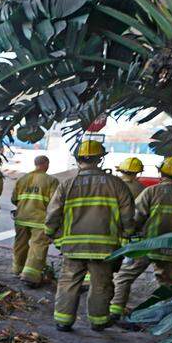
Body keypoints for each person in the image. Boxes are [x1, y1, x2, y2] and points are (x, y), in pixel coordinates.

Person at [45, 140, 135, 332]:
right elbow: (128, 216)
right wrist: (127, 235)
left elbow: (53, 214)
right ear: (99, 159)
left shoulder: (67, 184)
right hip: (105, 248)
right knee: (101, 284)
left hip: (73, 246)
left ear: (78, 160)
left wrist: (52, 234)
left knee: (69, 282)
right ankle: (98, 321)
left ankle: (63, 321)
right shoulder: (116, 184)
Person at [110, 157, 172, 321]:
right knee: (170, 285)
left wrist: (127, 234)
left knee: (124, 277)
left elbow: (136, 217)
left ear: (161, 172)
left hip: (147, 245)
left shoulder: (152, 191)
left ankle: (115, 311)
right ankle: (171, 319)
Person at [11, 156, 59, 287]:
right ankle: (30, 276)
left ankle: (17, 269)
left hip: (21, 217)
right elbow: (55, 203)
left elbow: (14, 199)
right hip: (40, 219)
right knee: (38, 246)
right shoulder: (51, 180)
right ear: (45, 164)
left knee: (20, 244)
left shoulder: (22, 179)